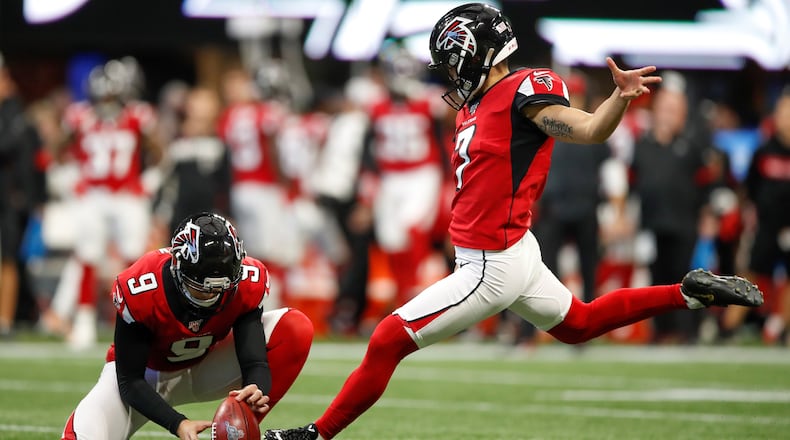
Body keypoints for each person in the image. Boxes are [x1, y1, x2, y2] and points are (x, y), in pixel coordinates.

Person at [263, 4, 764, 440]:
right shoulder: (477, 103)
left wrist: (618, 100)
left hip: (490, 264)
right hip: (513, 251)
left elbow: (587, 130)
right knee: (580, 324)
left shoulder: (527, 89)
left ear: (473, 56)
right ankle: (691, 292)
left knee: (387, 340)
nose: (449, 77)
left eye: (452, 65)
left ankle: (315, 435)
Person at [61, 212, 314, 439]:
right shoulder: (141, 287)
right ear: (178, 269)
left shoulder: (247, 282)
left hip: (205, 366)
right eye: (201, 289)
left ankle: (235, 434)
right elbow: (130, 381)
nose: (212, 296)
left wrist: (256, 389)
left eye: (222, 288)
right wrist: (178, 424)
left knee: (295, 328)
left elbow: (255, 361)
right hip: (146, 376)